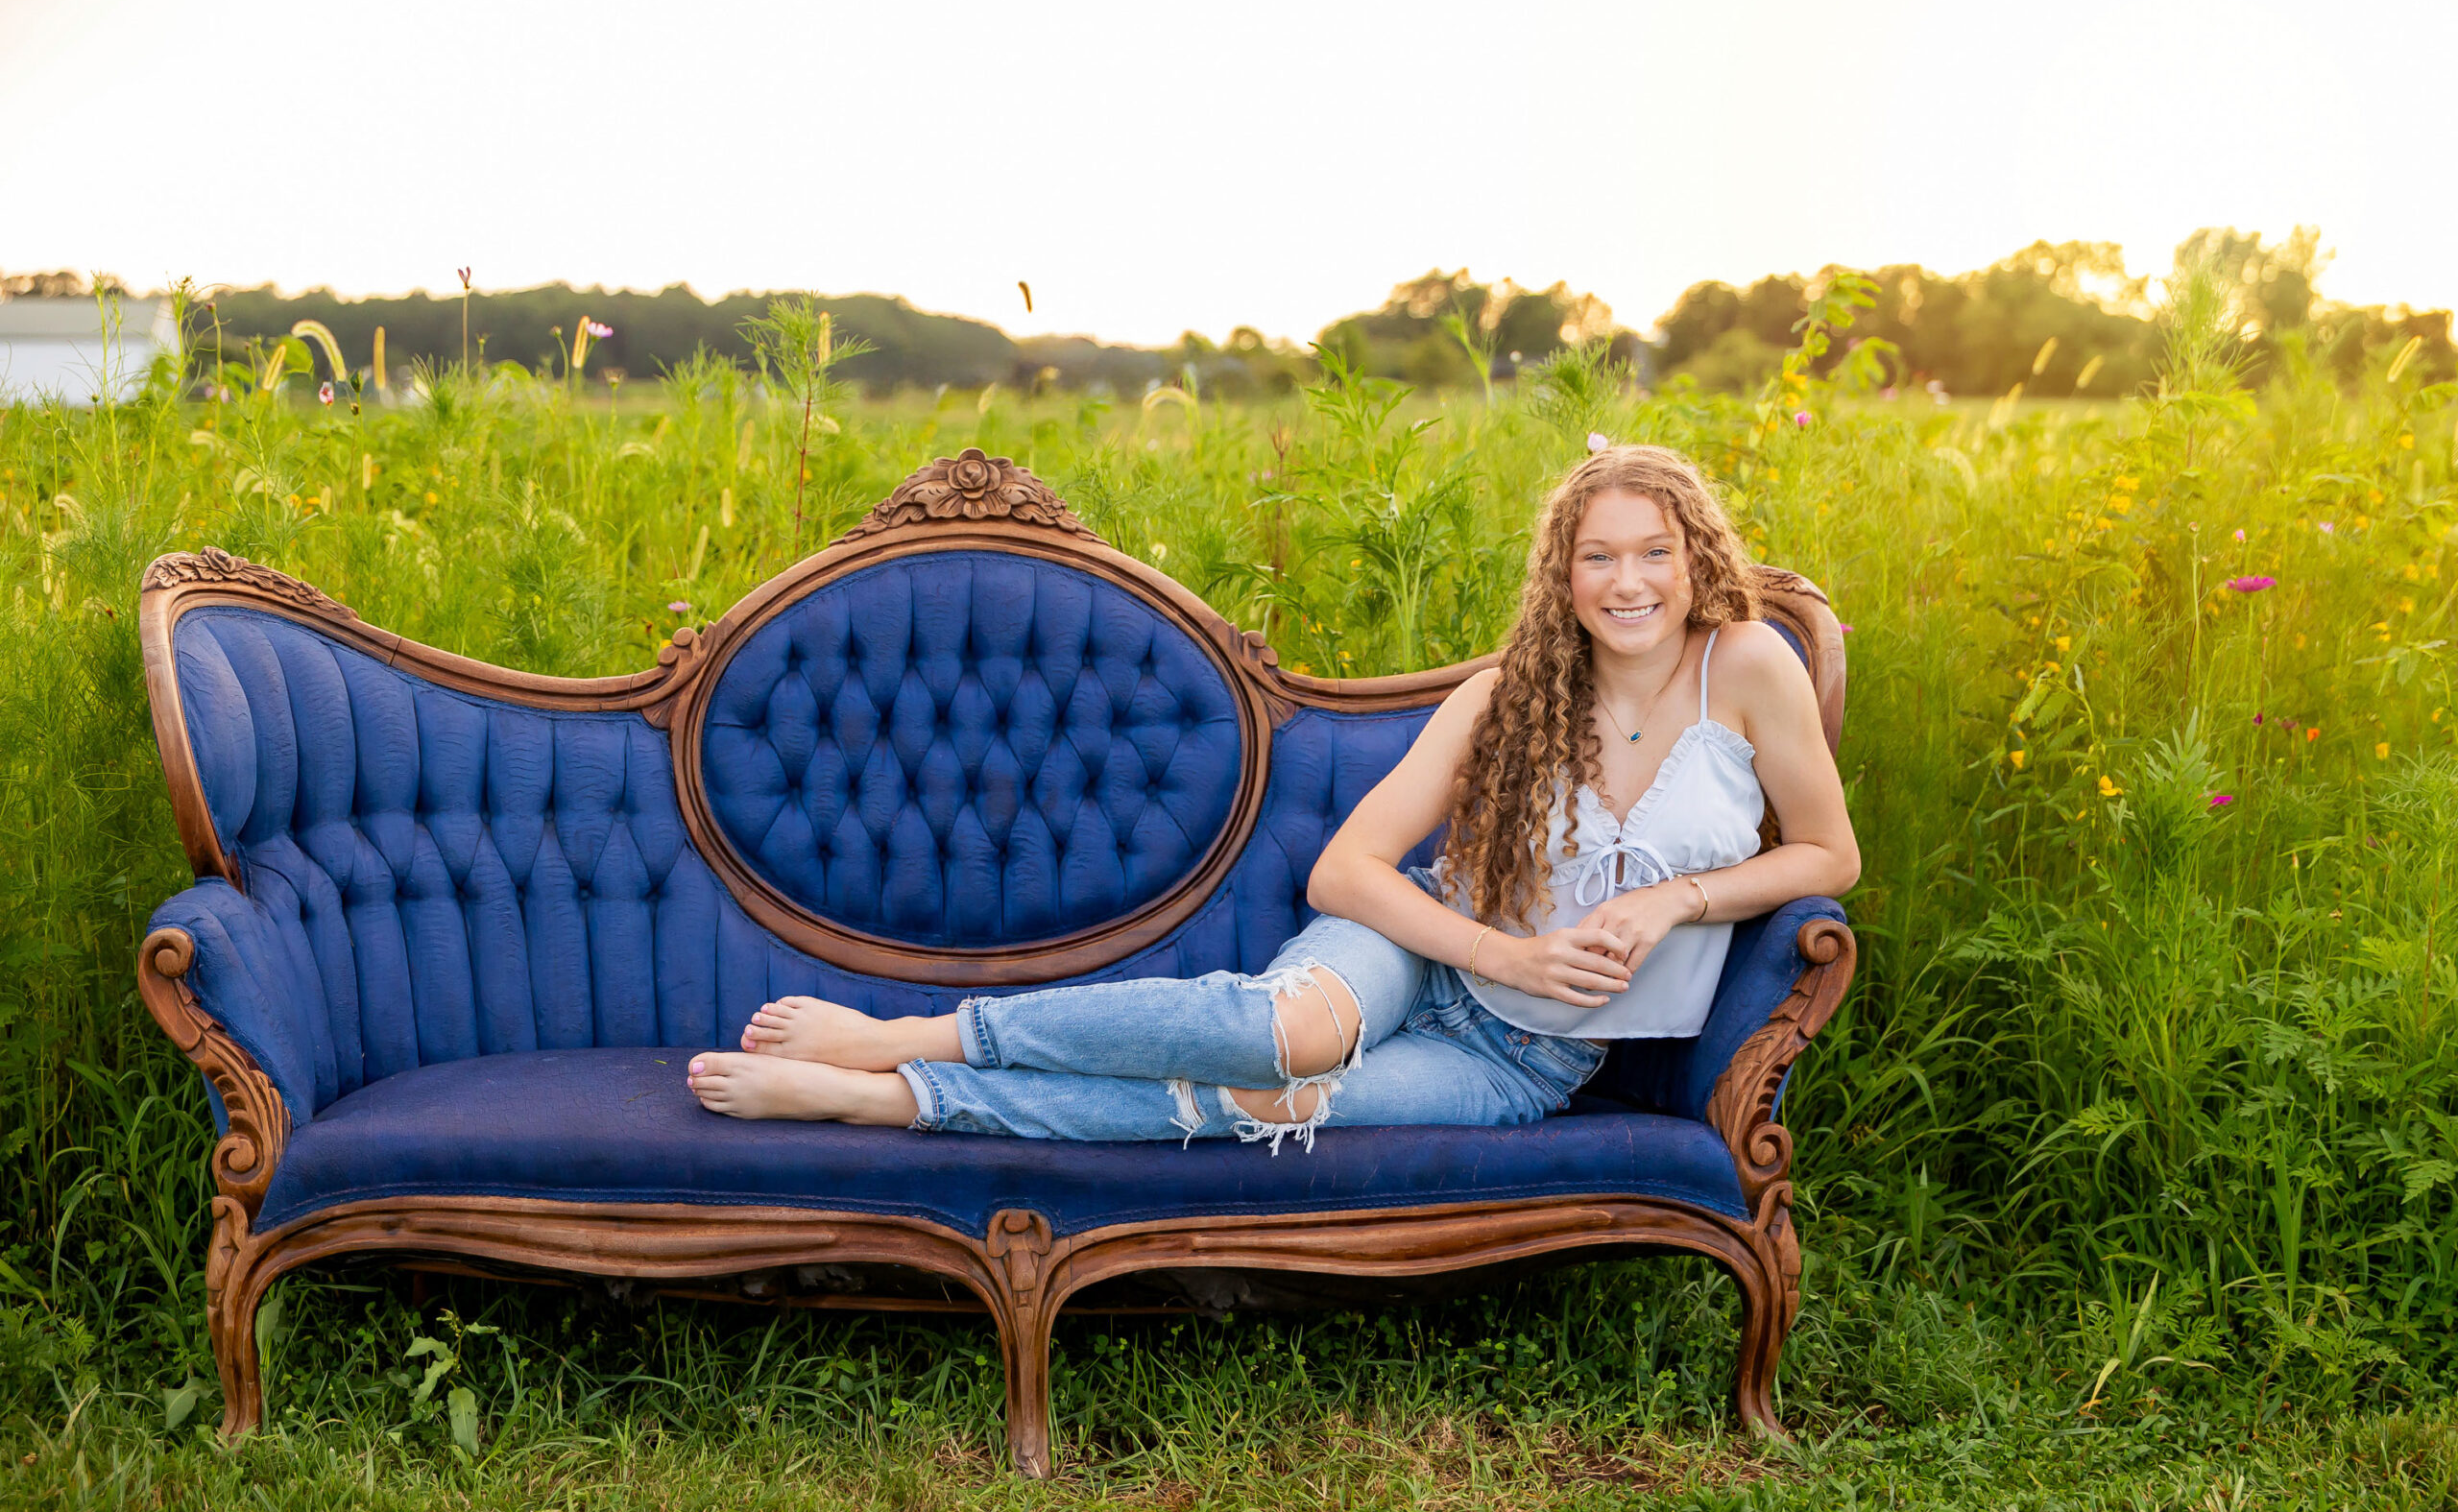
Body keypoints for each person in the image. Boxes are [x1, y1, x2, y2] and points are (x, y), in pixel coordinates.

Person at [685, 444, 1860, 1146]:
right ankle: (907, 1034)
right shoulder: (1509, 696)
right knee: (1283, 1033)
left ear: (1695, 555)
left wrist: (1675, 903)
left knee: (1263, 1101)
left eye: (1653, 551)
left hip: (1524, 1064)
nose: (1628, 581)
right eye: (1598, 556)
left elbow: (1825, 857)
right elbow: (1343, 871)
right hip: (1418, 956)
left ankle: (898, 1103)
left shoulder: (1750, 667)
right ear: (1563, 574)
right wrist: (1498, 956)